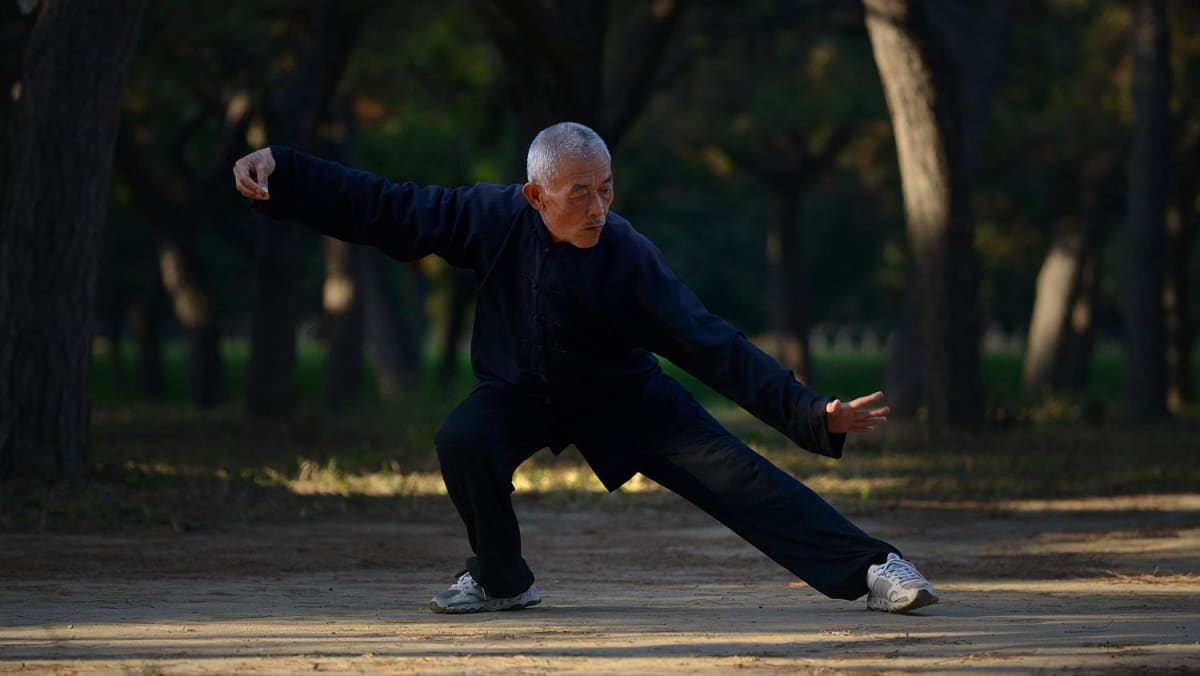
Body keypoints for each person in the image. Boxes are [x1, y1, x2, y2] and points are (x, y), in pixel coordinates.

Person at [232, 121, 938, 615]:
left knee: (739, 477)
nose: (598, 208)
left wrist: (810, 411)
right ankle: (502, 581)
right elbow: (385, 207)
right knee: (463, 438)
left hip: (624, 399)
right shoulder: (488, 216)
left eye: (606, 188)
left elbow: (712, 344)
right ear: (536, 195)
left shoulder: (629, 256)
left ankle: (875, 567)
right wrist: (285, 172)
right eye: (580, 193)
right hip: (519, 392)